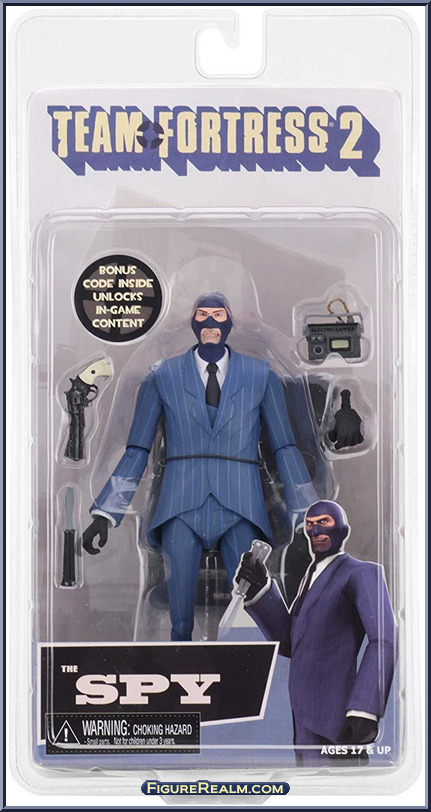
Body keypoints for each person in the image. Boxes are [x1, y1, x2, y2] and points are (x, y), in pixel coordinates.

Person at [82, 291, 318, 641]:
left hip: (240, 503)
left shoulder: (260, 375)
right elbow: (137, 450)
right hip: (180, 502)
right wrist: (106, 512)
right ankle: (178, 659)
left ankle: (249, 661)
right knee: (179, 614)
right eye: (203, 315)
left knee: (248, 602)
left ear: (230, 322)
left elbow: (285, 446)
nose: (210, 322)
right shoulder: (162, 375)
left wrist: (307, 511)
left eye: (218, 315)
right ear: (192, 321)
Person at [236, 500, 396, 763]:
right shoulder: (310, 576)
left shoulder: (361, 573)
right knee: (309, 783)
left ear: (343, 529)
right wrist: (261, 588)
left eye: (324, 522)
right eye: (310, 524)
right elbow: (291, 642)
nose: (315, 530)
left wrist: (364, 710)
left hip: (339, 721)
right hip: (302, 718)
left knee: (343, 784)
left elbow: (385, 640)